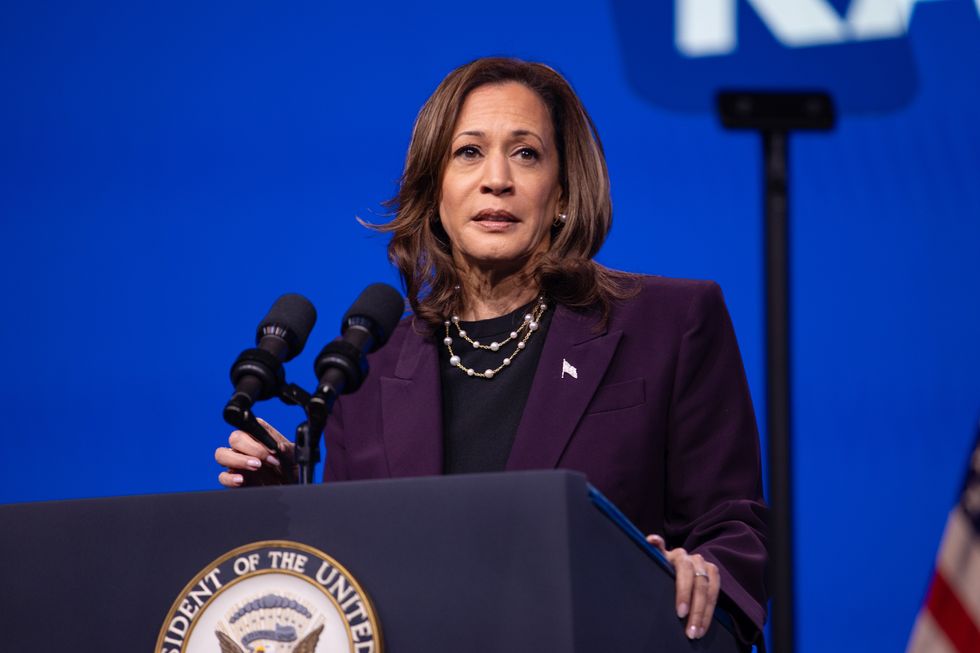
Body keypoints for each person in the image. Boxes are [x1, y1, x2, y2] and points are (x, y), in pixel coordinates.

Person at [215, 57, 768, 648]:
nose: (496, 179)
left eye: (526, 153)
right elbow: (356, 583)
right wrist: (283, 508)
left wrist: (701, 574)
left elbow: (734, 528)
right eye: (468, 153)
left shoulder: (669, 322)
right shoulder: (366, 371)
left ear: (562, 193)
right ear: (434, 193)